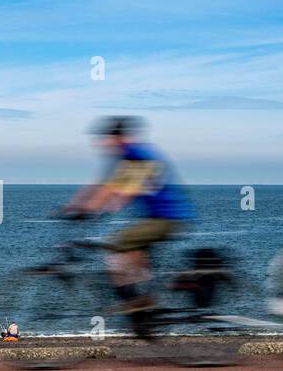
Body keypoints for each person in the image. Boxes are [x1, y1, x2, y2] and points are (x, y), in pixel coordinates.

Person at [62, 116, 194, 311]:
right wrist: (72, 206)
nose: (102, 143)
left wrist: (89, 208)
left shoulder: (137, 154)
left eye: (106, 138)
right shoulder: (130, 155)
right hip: (160, 217)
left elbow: (118, 189)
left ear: (117, 138)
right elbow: (102, 185)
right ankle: (144, 309)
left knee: (118, 243)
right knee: (131, 250)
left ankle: (139, 301)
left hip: (168, 218)